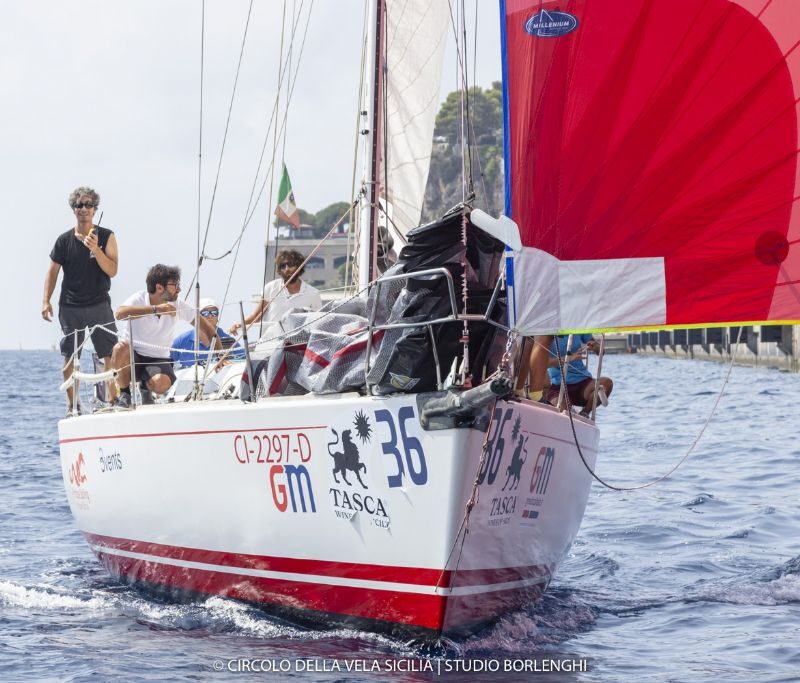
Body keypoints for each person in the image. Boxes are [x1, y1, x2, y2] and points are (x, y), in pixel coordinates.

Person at [42, 186, 119, 415]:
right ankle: (72, 405)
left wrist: (96, 249)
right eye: (78, 205)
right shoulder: (63, 240)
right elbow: (52, 272)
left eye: (88, 205)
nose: (83, 209)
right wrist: (45, 301)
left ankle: (113, 400)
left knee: (109, 353)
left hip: (99, 304)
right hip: (70, 306)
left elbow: (113, 270)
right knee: (70, 356)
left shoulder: (107, 236)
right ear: (73, 209)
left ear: (95, 209)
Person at [110, 265, 219, 407]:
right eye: (175, 285)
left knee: (162, 384)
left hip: (158, 359)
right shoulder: (139, 298)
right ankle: (125, 394)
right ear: (159, 287)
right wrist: (156, 309)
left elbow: (207, 328)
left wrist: (221, 356)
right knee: (119, 348)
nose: (179, 289)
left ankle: (145, 388)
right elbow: (119, 314)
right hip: (132, 357)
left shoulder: (178, 305)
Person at [229, 249, 322, 336]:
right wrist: (239, 325)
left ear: (299, 266)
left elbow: (319, 322)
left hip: (299, 342)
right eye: (283, 266)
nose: (287, 269)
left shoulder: (313, 293)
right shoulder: (271, 287)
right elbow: (256, 316)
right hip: (270, 341)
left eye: (290, 264)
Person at [544, 334, 613, 416]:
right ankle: (571, 412)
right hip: (558, 386)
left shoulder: (577, 328)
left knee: (607, 383)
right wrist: (568, 358)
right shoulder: (548, 333)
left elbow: (601, 351)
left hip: (582, 384)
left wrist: (595, 347)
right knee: (562, 410)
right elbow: (542, 363)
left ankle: (585, 413)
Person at [170, 298, 243, 368]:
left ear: (217, 317)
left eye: (214, 313)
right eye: (205, 313)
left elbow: (244, 362)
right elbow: (167, 363)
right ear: (196, 316)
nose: (210, 316)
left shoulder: (230, 342)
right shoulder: (181, 341)